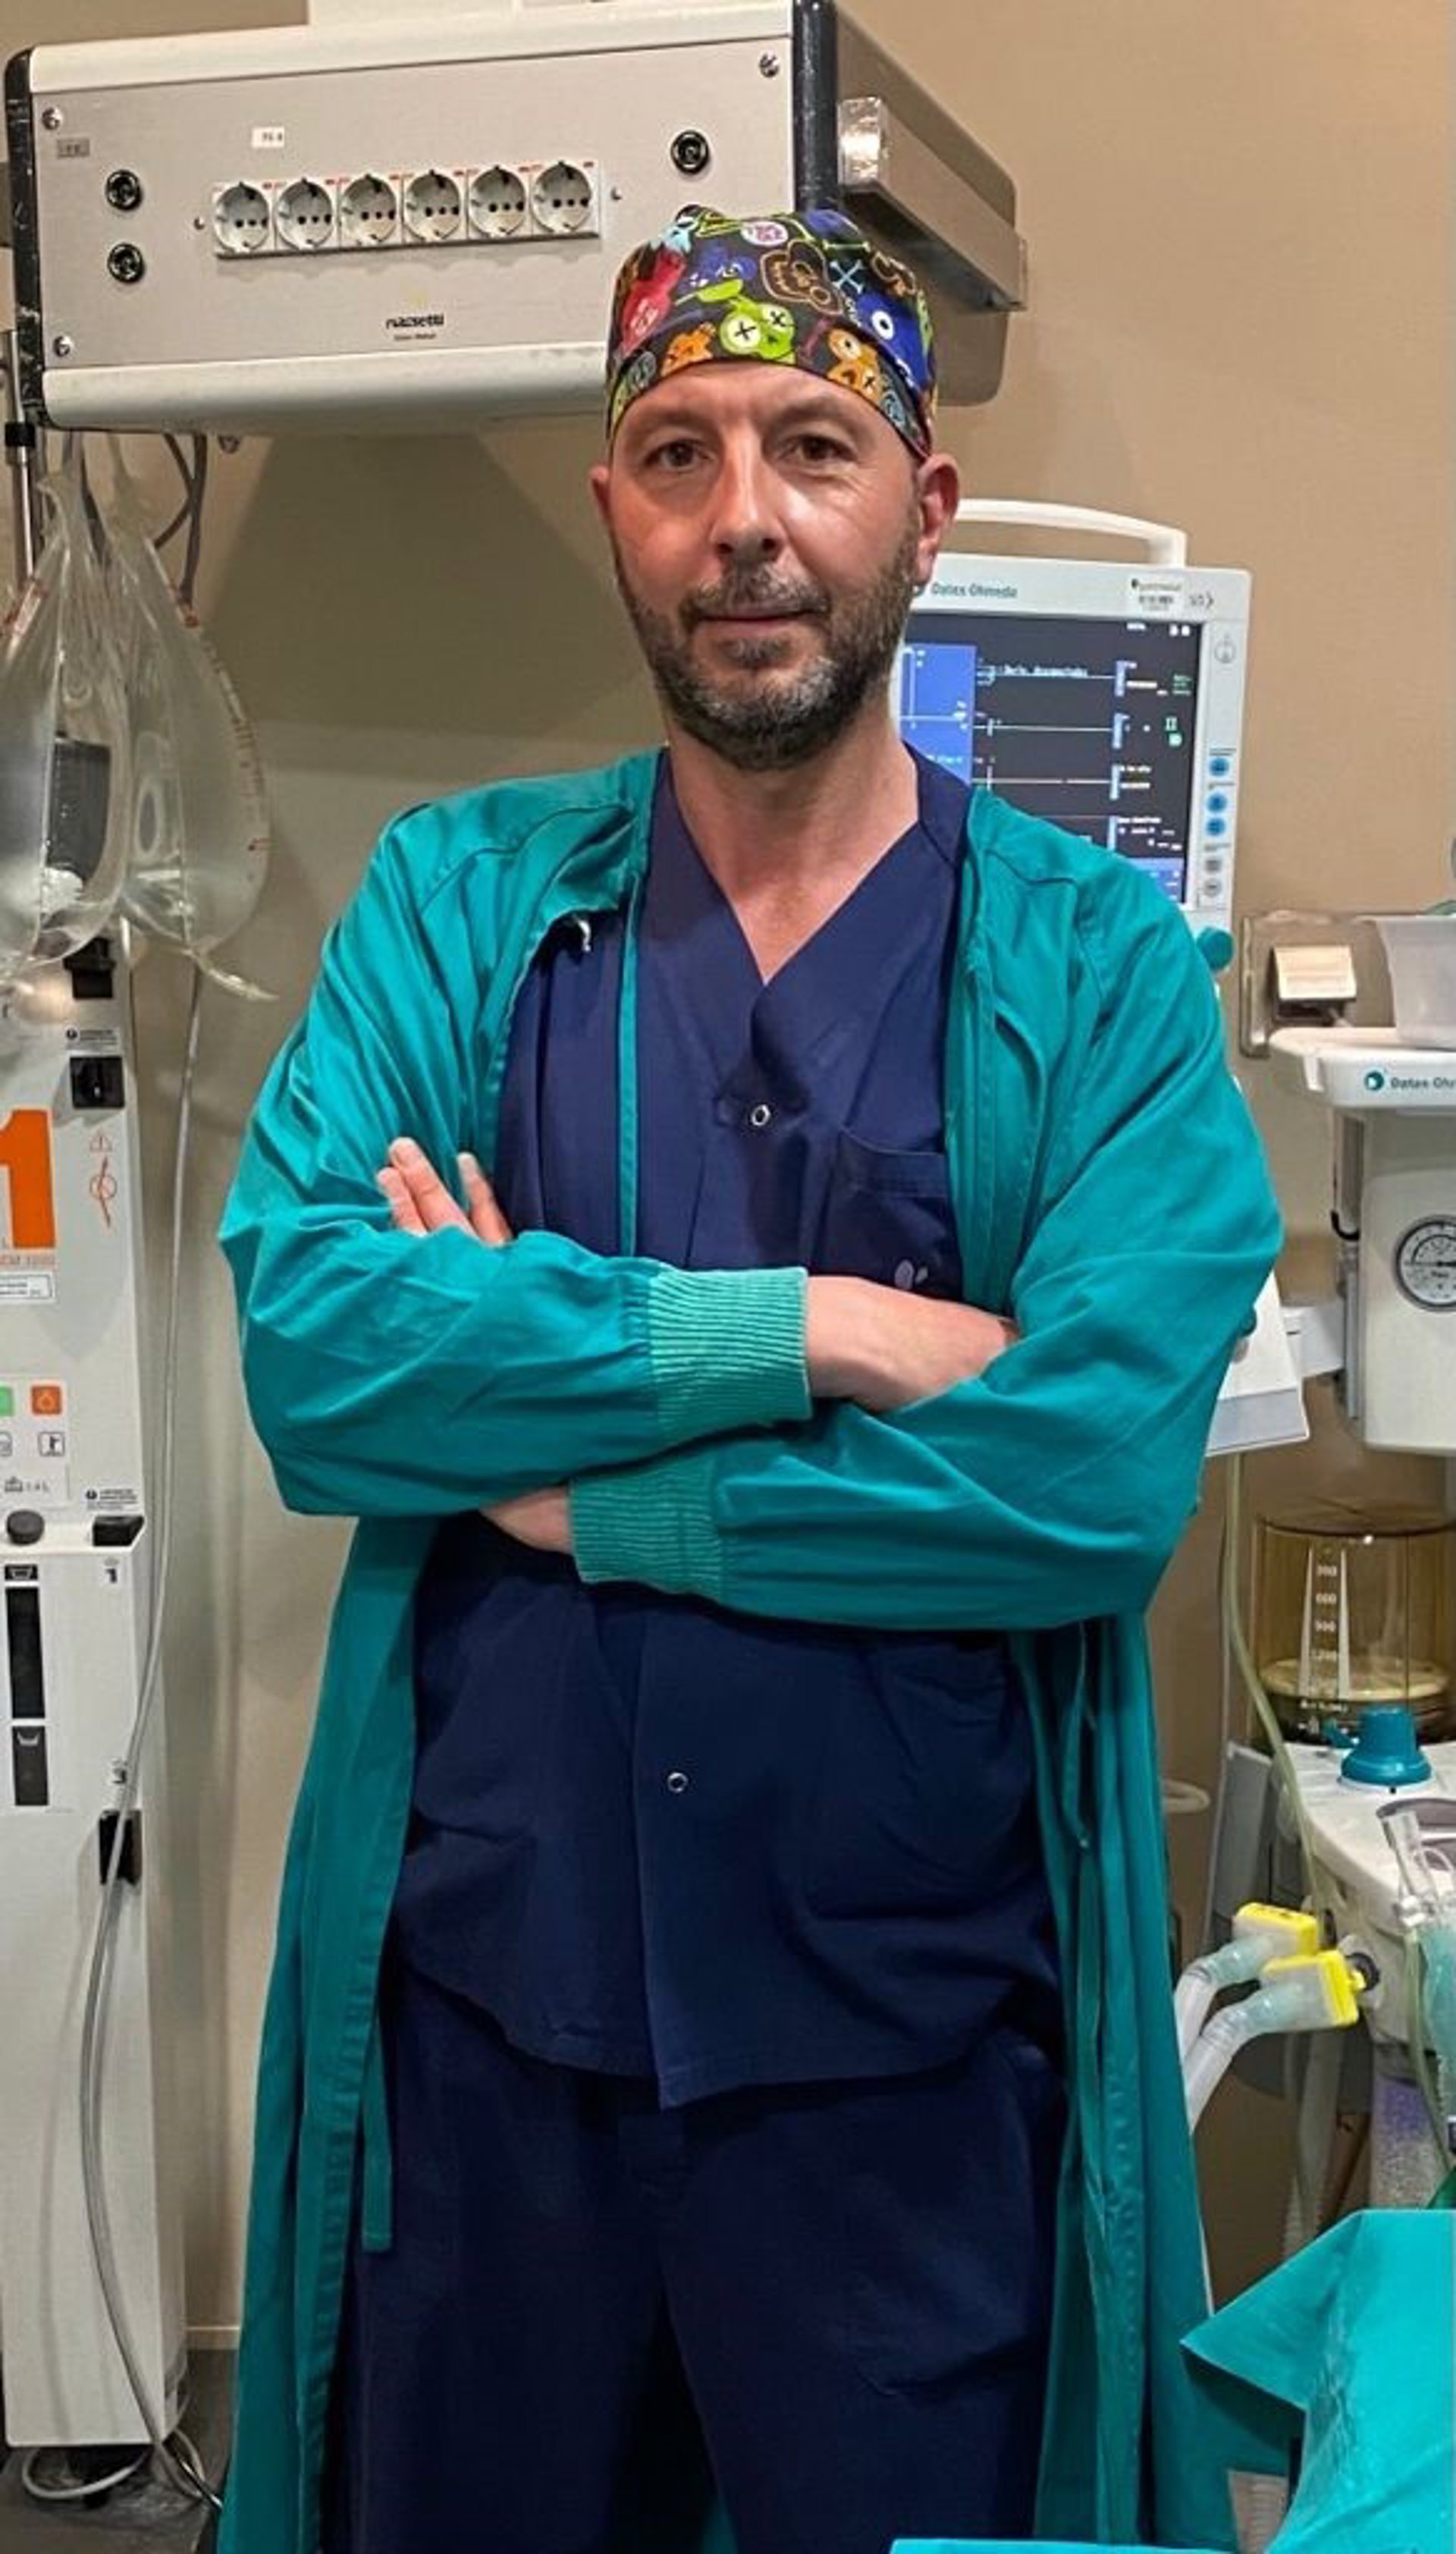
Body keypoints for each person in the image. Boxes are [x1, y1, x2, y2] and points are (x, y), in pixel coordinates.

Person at [219, 208, 1280, 2554]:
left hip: (904, 2074)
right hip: (490, 2044)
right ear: (617, 507)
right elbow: (318, 1351)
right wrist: (819, 1329)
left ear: (926, 503)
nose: (746, 520)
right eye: (680, 453)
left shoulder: (1095, 972)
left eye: (815, 444)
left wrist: (585, 1488)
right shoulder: (462, 908)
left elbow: (1088, 1482)